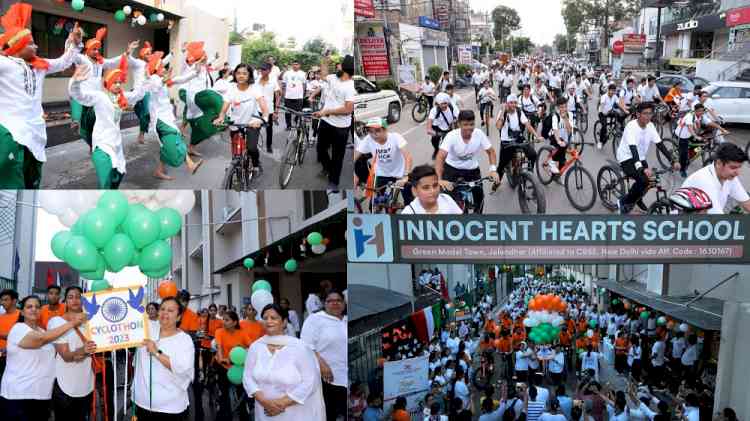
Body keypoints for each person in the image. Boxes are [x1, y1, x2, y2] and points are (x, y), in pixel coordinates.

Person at [0, 4, 82, 188]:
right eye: (30, 43)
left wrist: (74, 43)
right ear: (17, 46)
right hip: (11, 134)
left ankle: (26, 214)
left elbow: (63, 62)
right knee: (11, 185)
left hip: (35, 133)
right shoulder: (5, 64)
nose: (36, 46)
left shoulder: (40, 66)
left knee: (32, 182)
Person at [0, 294, 86, 419]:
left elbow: (62, 354)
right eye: (29, 307)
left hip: (42, 395)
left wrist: (83, 350)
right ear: (22, 312)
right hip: (18, 395)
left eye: (37, 307)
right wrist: (72, 323)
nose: (34, 309)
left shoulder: (45, 332)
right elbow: (39, 340)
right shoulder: (18, 329)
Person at [68, 62, 149, 188]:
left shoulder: (123, 98)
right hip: (102, 141)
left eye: (119, 82)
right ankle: (104, 199)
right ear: (107, 84)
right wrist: (76, 82)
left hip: (116, 141)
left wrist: (144, 78)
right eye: (114, 82)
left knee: (118, 174)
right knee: (106, 174)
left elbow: (139, 94)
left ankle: (111, 196)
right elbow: (79, 96)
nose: (118, 85)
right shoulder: (100, 97)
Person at [243, 303, 325, 420]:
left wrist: (281, 404)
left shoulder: (300, 347)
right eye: (265, 318)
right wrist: (264, 401)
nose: (268, 321)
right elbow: (247, 377)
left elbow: (310, 381)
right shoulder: (256, 347)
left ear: (285, 322)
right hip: (265, 411)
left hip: (294, 412)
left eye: (273, 318)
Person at [70, 26, 139, 150]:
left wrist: (128, 53)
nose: (97, 52)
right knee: (80, 127)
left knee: (95, 124)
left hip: (96, 100)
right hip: (82, 97)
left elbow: (114, 62)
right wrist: (75, 43)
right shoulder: (81, 59)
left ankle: (94, 146)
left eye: (98, 49)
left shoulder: (100, 62)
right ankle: (91, 143)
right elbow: (71, 55)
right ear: (88, 49)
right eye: (94, 49)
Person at [142, 52, 204, 180]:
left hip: (167, 118)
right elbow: (154, 87)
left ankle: (166, 169)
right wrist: (164, 79)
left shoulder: (163, 80)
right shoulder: (152, 80)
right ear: (156, 70)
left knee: (173, 141)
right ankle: (189, 164)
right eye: (162, 68)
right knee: (174, 138)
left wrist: (196, 70)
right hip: (160, 120)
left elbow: (182, 79)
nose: (164, 69)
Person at [132, 297, 195, 420]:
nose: (165, 313)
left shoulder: (184, 340)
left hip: (170, 408)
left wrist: (156, 352)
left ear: (178, 317)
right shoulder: (146, 329)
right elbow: (126, 322)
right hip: (142, 404)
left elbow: (182, 368)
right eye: (162, 309)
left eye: (170, 310)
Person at [616, 102, 678, 214]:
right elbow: (633, 149)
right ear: (638, 114)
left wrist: (672, 160)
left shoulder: (650, 126)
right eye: (645, 113)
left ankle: (637, 199)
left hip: (640, 156)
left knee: (649, 181)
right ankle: (623, 201)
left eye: (650, 113)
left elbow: (660, 144)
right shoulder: (631, 127)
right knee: (643, 179)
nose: (648, 116)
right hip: (626, 157)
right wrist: (641, 168)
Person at [435, 110, 500, 213]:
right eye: (465, 124)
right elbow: (440, 157)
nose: (469, 128)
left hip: (472, 170)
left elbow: (491, 152)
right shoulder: (451, 136)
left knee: (479, 198)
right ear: (459, 124)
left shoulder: (479, 134)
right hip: (452, 170)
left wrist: (493, 170)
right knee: (450, 201)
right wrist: (439, 179)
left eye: (471, 124)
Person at [49, 286, 97, 421]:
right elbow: (65, 355)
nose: (75, 300)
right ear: (65, 301)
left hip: (86, 382)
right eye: (70, 297)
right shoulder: (57, 322)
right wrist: (83, 350)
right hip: (65, 384)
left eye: (78, 297)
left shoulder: (92, 323)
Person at [214, 63, 269, 176]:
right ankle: (235, 166)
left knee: (251, 148)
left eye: (244, 73)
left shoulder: (255, 88)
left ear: (249, 75)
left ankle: (255, 164)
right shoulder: (231, 88)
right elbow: (225, 106)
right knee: (235, 151)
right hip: (236, 123)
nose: (241, 76)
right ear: (235, 75)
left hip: (252, 123)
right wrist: (221, 117)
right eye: (238, 73)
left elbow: (264, 108)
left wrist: (263, 119)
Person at [301, 290, 348, 421]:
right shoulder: (315, 319)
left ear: (344, 303)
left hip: (345, 377)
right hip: (326, 378)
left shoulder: (345, 320)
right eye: (330, 301)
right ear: (324, 304)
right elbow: (305, 345)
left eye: (338, 300)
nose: (334, 303)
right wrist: (322, 365)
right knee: (328, 414)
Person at [314, 54, 355, 193]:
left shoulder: (350, 87)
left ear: (344, 68)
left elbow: (348, 109)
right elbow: (323, 74)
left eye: (340, 64)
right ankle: (328, 168)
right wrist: (325, 61)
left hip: (341, 127)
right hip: (326, 122)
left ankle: (334, 181)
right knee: (320, 149)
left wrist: (327, 111)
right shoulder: (333, 78)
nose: (338, 66)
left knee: (338, 156)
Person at [354, 117, 414, 205]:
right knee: (374, 204)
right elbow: (354, 157)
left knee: (409, 202)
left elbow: (408, 157)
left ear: (385, 130)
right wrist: (354, 175)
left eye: (377, 131)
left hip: (400, 174)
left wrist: (405, 176)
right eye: (370, 131)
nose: (374, 135)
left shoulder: (395, 137)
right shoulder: (368, 139)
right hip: (381, 174)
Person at [681, 143, 750, 213]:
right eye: (733, 167)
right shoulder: (704, 181)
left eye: (739, 167)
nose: (738, 173)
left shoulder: (729, 177)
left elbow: (747, 203)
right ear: (718, 163)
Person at [214, 310, 251, 421]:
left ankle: (244, 417)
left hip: (238, 367)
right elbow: (219, 347)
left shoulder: (242, 333)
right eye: (223, 319)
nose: (224, 322)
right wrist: (221, 359)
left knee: (241, 395)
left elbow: (251, 346)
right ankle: (224, 417)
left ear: (235, 322)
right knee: (223, 395)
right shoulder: (219, 331)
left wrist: (243, 349)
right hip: (223, 365)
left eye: (227, 320)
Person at [546, 97, 576, 176]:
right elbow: (555, 130)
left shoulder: (570, 114)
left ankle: (558, 175)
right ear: (558, 108)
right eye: (562, 107)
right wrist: (559, 141)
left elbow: (570, 130)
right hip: (554, 136)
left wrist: (565, 118)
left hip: (564, 138)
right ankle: (551, 162)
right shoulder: (555, 116)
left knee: (562, 159)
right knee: (561, 147)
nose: (564, 109)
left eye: (565, 106)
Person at [426, 92, 459, 159]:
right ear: (438, 104)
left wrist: (456, 130)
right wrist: (436, 133)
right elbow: (428, 128)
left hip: (449, 127)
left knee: (447, 146)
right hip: (437, 128)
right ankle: (436, 150)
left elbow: (459, 119)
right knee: (434, 141)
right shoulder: (434, 110)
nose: (444, 105)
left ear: (448, 102)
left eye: (445, 103)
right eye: (442, 104)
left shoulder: (452, 107)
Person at [0, 289, 19, 381]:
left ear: (14, 301)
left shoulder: (22, 316)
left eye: (5, 299)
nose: (2, 302)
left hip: (14, 357)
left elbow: (19, 336)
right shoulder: (1, 317)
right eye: (1, 300)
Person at [282, 60, 306, 130]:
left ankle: (297, 123)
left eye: (297, 64)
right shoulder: (287, 73)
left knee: (298, 112)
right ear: (292, 65)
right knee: (287, 111)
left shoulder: (302, 73)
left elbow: (304, 84)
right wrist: (283, 94)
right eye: (294, 64)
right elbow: (284, 84)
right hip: (288, 96)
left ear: (299, 65)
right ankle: (288, 125)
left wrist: (303, 94)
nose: (295, 66)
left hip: (298, 96)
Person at [596, 84, 620, 150]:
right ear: (608, 90)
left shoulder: (614, 96)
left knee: (619, 116)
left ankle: (614, 129)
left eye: (614, 91)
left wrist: (623, 110)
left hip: (609, 112)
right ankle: (600, 142)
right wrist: (603, 112)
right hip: (602, 113)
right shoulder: (604, 96)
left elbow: (619, 104)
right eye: (611, 90)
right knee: (604, 126)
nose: (613, 92)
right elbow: (602, 104)